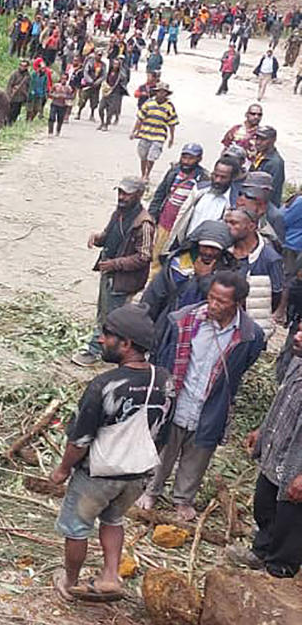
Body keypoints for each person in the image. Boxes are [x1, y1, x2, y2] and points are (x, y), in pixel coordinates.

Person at [51, 305, 174, 602]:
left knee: (77, 527)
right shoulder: (165, 379)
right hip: (138, 474)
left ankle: (70, 581)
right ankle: (110, 576)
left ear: (127, 344)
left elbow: (80, 440)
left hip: (99, 474)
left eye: (108, 336)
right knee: (113, 520)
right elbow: (165, 433)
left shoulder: (105, 385)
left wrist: (63, 470)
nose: (102, 340)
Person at [143, 272, 265, 520]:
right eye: (211, 298)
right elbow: (163, 353)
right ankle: (150, 491)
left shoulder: (249, 335)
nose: (214, 305)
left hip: (212, 403)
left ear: (238, 303)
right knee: (164, 447)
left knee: (198, 454)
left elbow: (243, 365)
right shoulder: (184, 319)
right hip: (179, 397)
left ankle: (183, 499)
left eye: (222, 301)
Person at [229, 325, 302, 578]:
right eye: (300, 330)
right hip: (276, 453)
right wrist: (263, 430)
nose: (297, 336)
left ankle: (280, 567)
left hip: (296, 466)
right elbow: (282, 404)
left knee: (290, 519)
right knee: (265, 505)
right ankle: (262, 551)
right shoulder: (297, 363)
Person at [72, 177, 155, 367]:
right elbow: (110, 235)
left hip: (122, 279)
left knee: (112, 317)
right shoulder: (119, 213)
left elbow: (144, 257)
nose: (122, 197)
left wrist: (115, 264)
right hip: (109, 273)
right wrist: (98, 238)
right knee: (103, 312)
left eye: (127, 193)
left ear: (139, 195)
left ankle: (95, 350)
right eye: (120, 192)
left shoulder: (144, 224)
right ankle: (102, 345)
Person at [140, 220, 234, 344]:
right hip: (168, 326)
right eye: (205, 246)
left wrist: (204, 277)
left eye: (215, 249)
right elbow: (154, 296)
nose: (209, 252)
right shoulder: (176, 264)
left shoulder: (227, 273)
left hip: (201, 334)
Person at [147, 143, 207, 274]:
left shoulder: (203, 178)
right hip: (165, 222)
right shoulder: (174, 171)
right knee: (155, 256)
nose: (186, 161)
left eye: (191, 158)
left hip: (182, 227)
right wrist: (151, 215)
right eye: (184, 157)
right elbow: (160, 193)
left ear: (199, 159)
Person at [225, 207, 283, 334]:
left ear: (251, 226)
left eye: (234, 223)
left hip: (248, 326)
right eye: (226, 222)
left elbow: (275, 294)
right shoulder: (224, 250)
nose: (228, 226)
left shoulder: (270, 259)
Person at [167, 158, 239, 248]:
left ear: (233, 178)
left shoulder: (234, 202)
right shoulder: (199, 190)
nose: (217, 180)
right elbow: (182, 217)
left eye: (223, 177)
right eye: (215, 175)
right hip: (186, 244)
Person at [130, 82, 178, 181]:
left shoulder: (169, 107)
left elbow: (172, 123)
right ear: (156, 92)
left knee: (152, 157)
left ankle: (147, 174)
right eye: (159, 92)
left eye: (163, 92)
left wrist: (171, 138)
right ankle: (143, 173)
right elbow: (140, 118)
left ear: (166, 94)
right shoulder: (148, 103)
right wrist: (134, 131)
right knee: (143, 155)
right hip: (145, 133)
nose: (161, 94)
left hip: (159, 136)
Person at [251, 126, 285, 206]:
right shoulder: (260, 156)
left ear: (273, 140)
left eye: (263, 139)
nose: (258, 142)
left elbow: (271, 191)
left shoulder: (275, 163)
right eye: (257, 138)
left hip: (264, 207)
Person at [5, 60, 30, 125]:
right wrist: (8, 95)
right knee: (9, 111)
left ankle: (12, 124)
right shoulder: (15, 74)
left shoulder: (27, 76)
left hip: (21, 97)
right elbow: (9, 85)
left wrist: (26, 95)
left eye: (24, 66)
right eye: (21, 65)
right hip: (13, 96)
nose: (22, 67)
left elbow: (29, 86)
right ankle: (7, 123)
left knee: (16, 112)